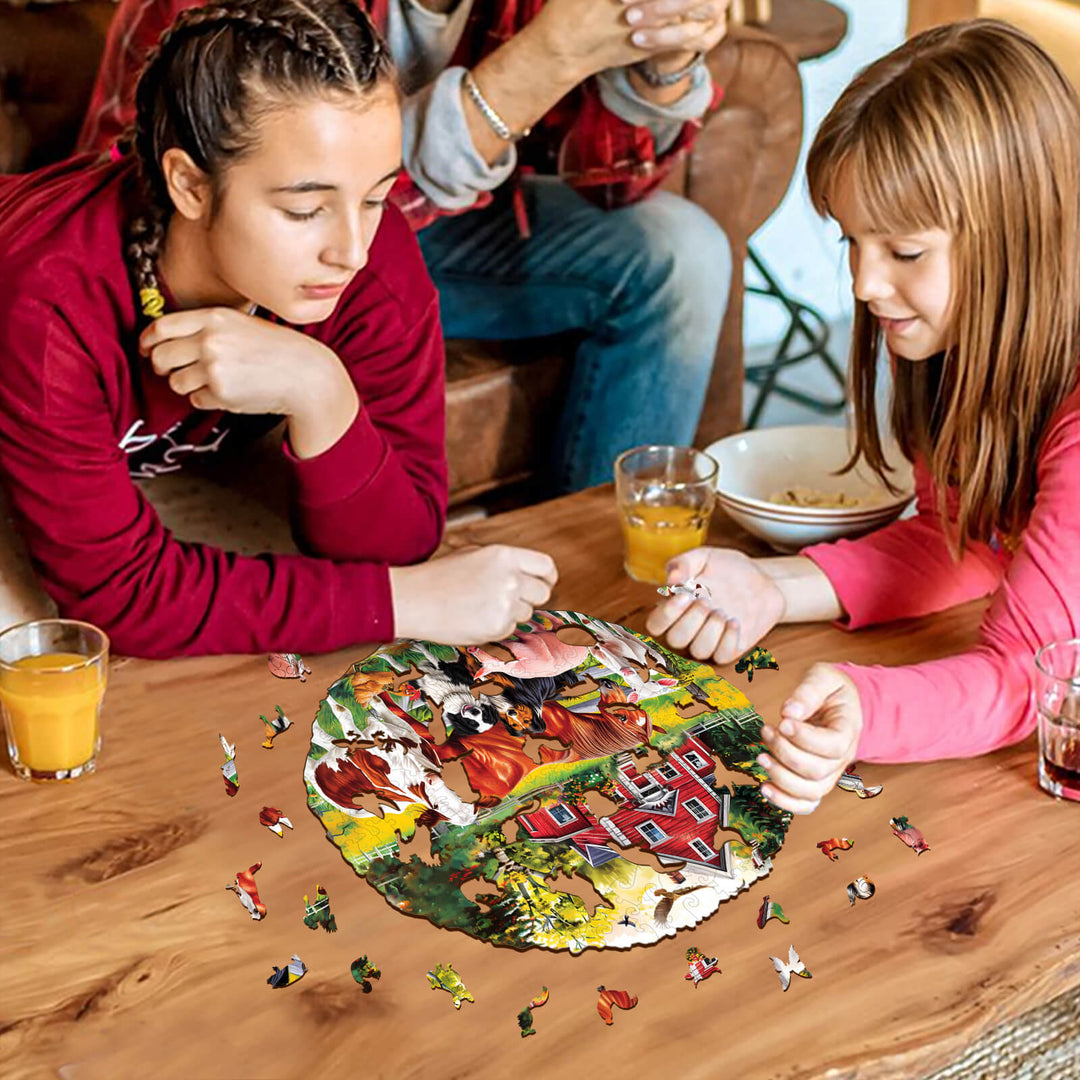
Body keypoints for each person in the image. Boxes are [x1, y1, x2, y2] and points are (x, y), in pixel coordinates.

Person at [0, 0, 555, 657]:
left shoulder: (371, 256)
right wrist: (408, 601)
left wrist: (321, 391)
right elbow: (124, 599)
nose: (351, 248)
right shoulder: (49, 300)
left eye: (375, 197)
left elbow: (402, 539)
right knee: (34, 649)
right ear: (189, 185)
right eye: (305, 210)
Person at [646, 19, 1080, 813]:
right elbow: (965, 538)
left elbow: (1033, 673)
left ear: (1023, 237)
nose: (862, 284)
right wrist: (772, 588)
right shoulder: (963, 348)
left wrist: (868, 708)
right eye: (852, 241)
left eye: (904, 252)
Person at [77, 0, 734, 494]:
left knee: (681, 252)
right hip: (234, 249)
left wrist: (660, 62)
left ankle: (603, 595)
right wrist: (545, 60)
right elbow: (155, 207)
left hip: (431, 223)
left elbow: (616, 187)